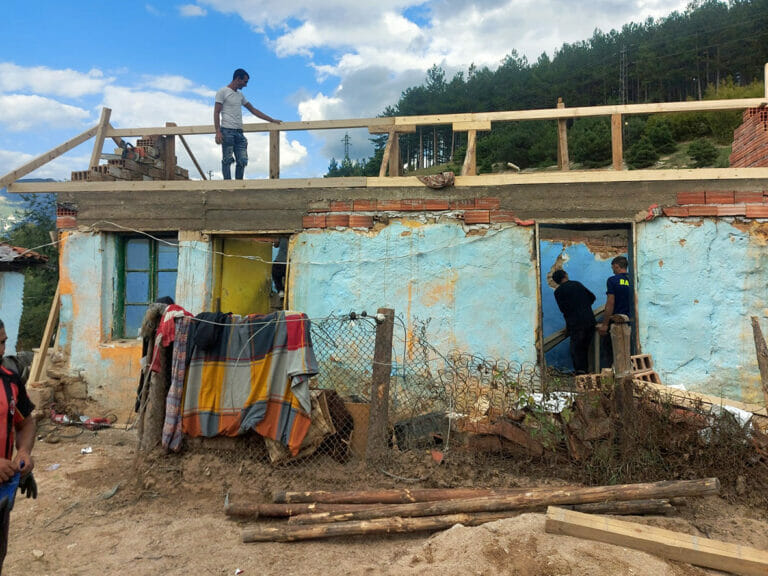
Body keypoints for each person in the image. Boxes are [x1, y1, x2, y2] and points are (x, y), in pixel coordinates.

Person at [0, 319, 36, 571]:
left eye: (1, 342)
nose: (0, 351)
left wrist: (23, 451)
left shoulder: (10, 380)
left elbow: (25, 423)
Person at [214, 68, 281, 180]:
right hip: (227, 130)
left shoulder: (240, 95)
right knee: (227, 159)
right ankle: (227, 186)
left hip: (239, 132)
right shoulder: (222, 92)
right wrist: (218, 131)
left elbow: (253, 110)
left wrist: (271, 120)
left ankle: (239, 184)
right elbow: (216, 112)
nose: (246, 85)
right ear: (237, 79)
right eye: (245, 82)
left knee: (242, 160)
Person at [552, 269, 597, 374]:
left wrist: (568, 326)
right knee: (586, 348)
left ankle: (581, 373)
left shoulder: (558, 292)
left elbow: (564, 311)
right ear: (565, 275)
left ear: (556, 281)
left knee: (576, 350)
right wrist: (584, 306)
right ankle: (587, 372)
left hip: (576, 324)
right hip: (589, 321)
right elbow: (592, 297)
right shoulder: (577, 284)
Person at [598, 255, 633, 368]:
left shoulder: (612, 280)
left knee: (610, 352)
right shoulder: (633, 279)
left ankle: (610, 379)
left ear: (617, 266)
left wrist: (604, 324)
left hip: (617, 322)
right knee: (629, 352)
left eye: (613, 267)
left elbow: (610, 303)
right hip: (632, 323)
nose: (612, 270)